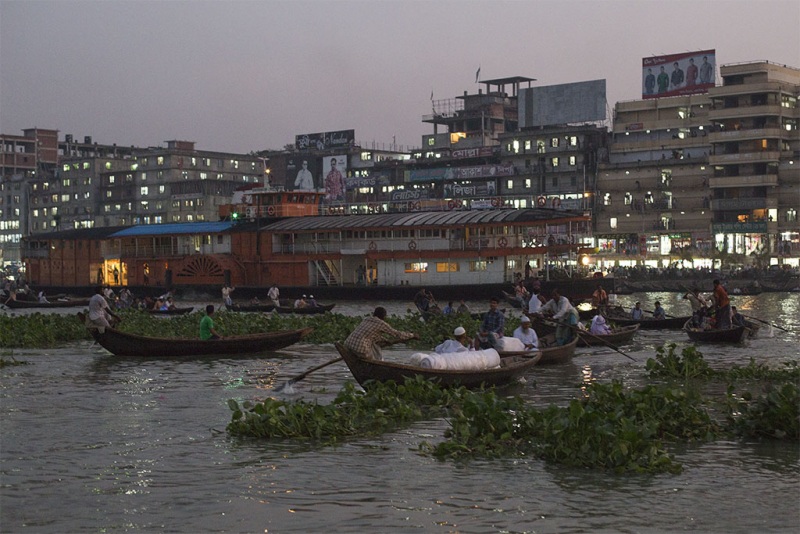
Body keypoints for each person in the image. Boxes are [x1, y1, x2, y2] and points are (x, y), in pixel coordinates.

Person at [344, 306, 418, 360]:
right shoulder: (381, 323)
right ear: (383, 316)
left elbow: (371, 335)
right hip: (360, 349)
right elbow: (397, 334)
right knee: (374, 359)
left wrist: (385, 340)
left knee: (372, 344)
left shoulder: (366, 319)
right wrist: (412, 335)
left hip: (348, 345)